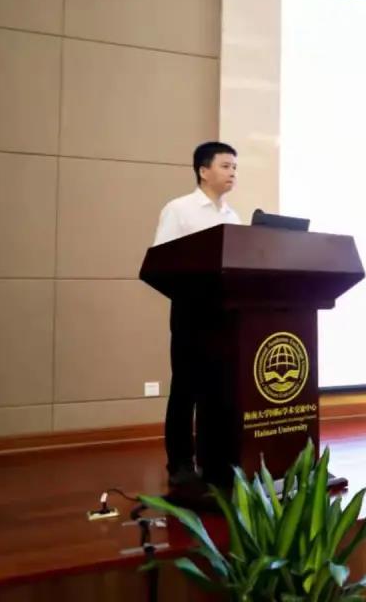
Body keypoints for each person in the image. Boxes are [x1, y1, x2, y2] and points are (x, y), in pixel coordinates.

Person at [153, 141, 240, 487]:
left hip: (225, 314)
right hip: (192, 312)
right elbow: (161, 261)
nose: (232, 172)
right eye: (225, 166)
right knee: (185, 389)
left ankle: (214, 460)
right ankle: (180, 463)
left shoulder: (232, 216)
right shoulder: (179, 209)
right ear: (204, 171)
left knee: (218, 390)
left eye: (235, 167)